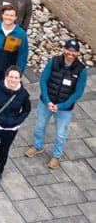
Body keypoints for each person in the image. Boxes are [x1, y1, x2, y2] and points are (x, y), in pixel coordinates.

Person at [26, 40, 88, 170]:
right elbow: (43, 80)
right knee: (39, 126)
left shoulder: (81, 70)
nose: (70, 53)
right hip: (46, 103)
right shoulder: (53, 61)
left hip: (64, 109)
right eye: (68, 50)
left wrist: (61, 106)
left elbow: (78, 92)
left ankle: (56, 156)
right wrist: (48, 101)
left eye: (73, 51)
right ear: (64, 49)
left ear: (77, 53)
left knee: (60, 133)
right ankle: (37, 146)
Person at [0, 66, 31, 187]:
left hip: (11, 129)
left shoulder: (23, 94)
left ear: (20, 79)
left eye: (16, 77)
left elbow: (26, 110)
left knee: (4, 151)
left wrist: (17, 121)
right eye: (11, 77)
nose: (13, 80)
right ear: (6, 77)